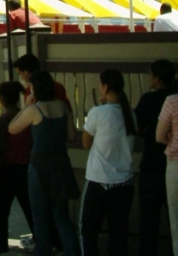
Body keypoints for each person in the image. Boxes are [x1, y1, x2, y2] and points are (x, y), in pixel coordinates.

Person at [8, 70, 79, 256]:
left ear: (35, 88)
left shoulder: (34, 109)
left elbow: (12, 128)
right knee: (62, 216)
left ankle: (43, 251)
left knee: (40, 217)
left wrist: (25, 106)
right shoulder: (62, 106)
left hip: (39, 166)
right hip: (61, 163)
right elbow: (72, 136)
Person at [80, 69, 135, 256]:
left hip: (100, 181)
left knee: (88, 230)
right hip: (125, 182)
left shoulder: (97, 112)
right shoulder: (130, 114)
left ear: (105, 87)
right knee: (118, 234)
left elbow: (86, 143)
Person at [134, 58, 177, 256]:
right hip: (172, 162)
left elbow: (138, 127)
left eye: (151, 75)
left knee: (149, 219)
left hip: (152, 163)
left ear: (158, 78)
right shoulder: (174, 97)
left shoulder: (149, 100)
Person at [0, 81, 34, 254]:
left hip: (7, 169)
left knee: (0, 210)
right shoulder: (27, 116)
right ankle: (41, 239)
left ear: (2, 99)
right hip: (26, 167)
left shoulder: (2, 121)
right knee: (30, 208)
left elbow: (0, 147)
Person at [157, 87, 178, 250]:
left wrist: (171, 139)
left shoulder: (172, 101)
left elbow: (159, 136)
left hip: (175, 164)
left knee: (175, 216)